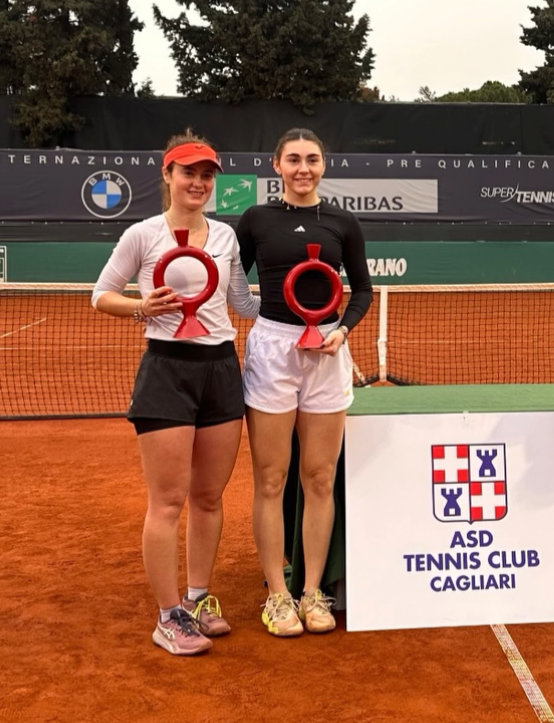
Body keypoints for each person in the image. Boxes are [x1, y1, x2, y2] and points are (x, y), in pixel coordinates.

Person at [91, 131, 260, 656]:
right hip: (167, 370)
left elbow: (241, 304)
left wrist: (304, 308)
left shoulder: (226, 237)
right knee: (167, 501)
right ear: (167, 175)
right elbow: (101, 295)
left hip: (220, 369)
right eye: (189, 172)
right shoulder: (142, 235)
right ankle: (168, 617)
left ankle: (197, 599)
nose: (199, 183)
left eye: (207, 175)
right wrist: (142, 307)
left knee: (209, 497)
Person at [237, 128, 373, 637]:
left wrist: (342, 330)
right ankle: (278, 594)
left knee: (319, 477)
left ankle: (313, 591)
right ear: (276, 165)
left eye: (312, 159)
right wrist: (260, 316)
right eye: (293, 159)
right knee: (271, 479)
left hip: (327, 352)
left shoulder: (342, 221)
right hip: (273, 351)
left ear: (323, 165)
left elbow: (362, 289)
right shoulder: (256, 219)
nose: (303, 169)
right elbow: (233, 279)